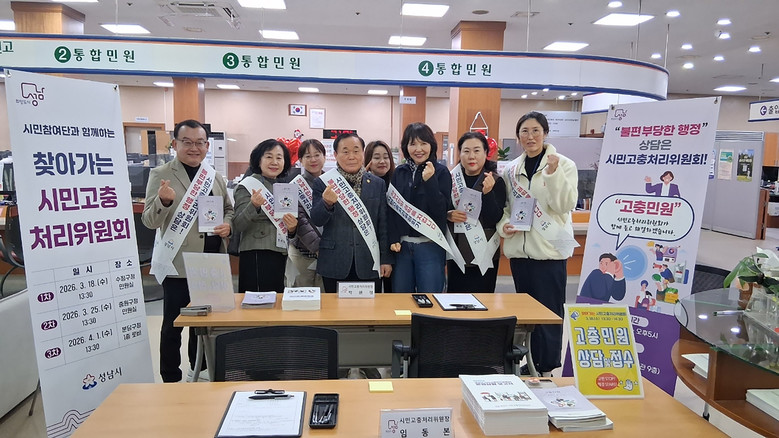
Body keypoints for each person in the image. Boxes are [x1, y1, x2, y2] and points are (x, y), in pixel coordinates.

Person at [142, 119, 234, 383]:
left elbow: (228, 209)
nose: (194, 148)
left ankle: (199, 368)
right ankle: (171, 375)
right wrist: (164, 201)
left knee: (203, 323)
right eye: (187, 142)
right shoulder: (161, 174)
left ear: (207, 146)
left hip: (210, 262)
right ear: (175, 144)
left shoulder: (214, 176)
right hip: (178, 262)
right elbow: (149, 221)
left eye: (200, 142)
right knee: (173, 323)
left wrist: (228, 224)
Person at [497, 111, 578, 376]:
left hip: (549, 252)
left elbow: (565, 205)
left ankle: (546, 367)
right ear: (518, 136)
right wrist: (504, 225)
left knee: (549, 314)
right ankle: (529, 361)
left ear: (545, 133)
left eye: (535, 131)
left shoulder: (564, 164)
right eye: (524, 131)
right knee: (527, 315)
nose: (530, 136)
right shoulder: (511, 169)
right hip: (521, 253)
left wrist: (553, 174)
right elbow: (507, 208)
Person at [310, 133, 393, 294]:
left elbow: (383, 224)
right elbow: (317, 220)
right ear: (335, 155)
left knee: (369, 309)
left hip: (369, 260)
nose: (351, 156)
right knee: (334, 309)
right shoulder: (324, 182)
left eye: (356, 151)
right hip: (335, 261)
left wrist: (386, 260)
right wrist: (326, 203)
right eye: (345, 151)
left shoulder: (377, 184)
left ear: (363, 153)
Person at [389, 122, 452, 293]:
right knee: (401, 299)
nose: (418, 149)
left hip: (430, 246)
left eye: (423, 143)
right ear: (406, 147)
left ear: (431, 145)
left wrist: (430, 181)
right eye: (413, 144)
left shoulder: (441, 172)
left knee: (431, 298)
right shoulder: (400, 172)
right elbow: (392, 208)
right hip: (402, 247)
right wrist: (393, 238)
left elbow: (441, 210)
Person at [233, 139, 298, 293]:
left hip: (280, 251)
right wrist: (253, 205)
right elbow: (238, 224)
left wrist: (292, 229)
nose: (274, 162)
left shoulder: (283, 188)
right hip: (256, 253)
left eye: (279, 157)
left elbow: (286, 226)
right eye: (269, 157)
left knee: (277, 299)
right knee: (257, 302)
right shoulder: (247, 185)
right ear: (259, 160)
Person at [446, 131, 506, 293]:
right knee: (454, 300)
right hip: (457, 253)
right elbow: (440, 209)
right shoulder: (451, 179)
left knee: (483, 300)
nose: (471, 156)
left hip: (484, 253)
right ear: (460, 154)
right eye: (466, 151)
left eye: (477, 150)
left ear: (486, 153)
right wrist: (448, 215)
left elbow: (495, 217)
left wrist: (488, 194)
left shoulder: (496, 181)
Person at [288, 139, 326, 288]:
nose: (313, 160)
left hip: (328, 253)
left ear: (324, 156)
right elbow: (300, 221)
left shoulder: (332, 183)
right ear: (300, 160)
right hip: (302, 254)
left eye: (317, 155)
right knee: (301, 297)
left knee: (326, 297)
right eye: (307, 156)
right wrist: (318, 248)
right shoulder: (294, 186)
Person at [364, 140, 396, 293]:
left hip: (395, 247)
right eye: (376, 157)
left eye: (386, 157)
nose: (382, 161)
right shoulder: (360, 186)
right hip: (369, 247)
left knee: (391, 291)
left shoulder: (397, 182)